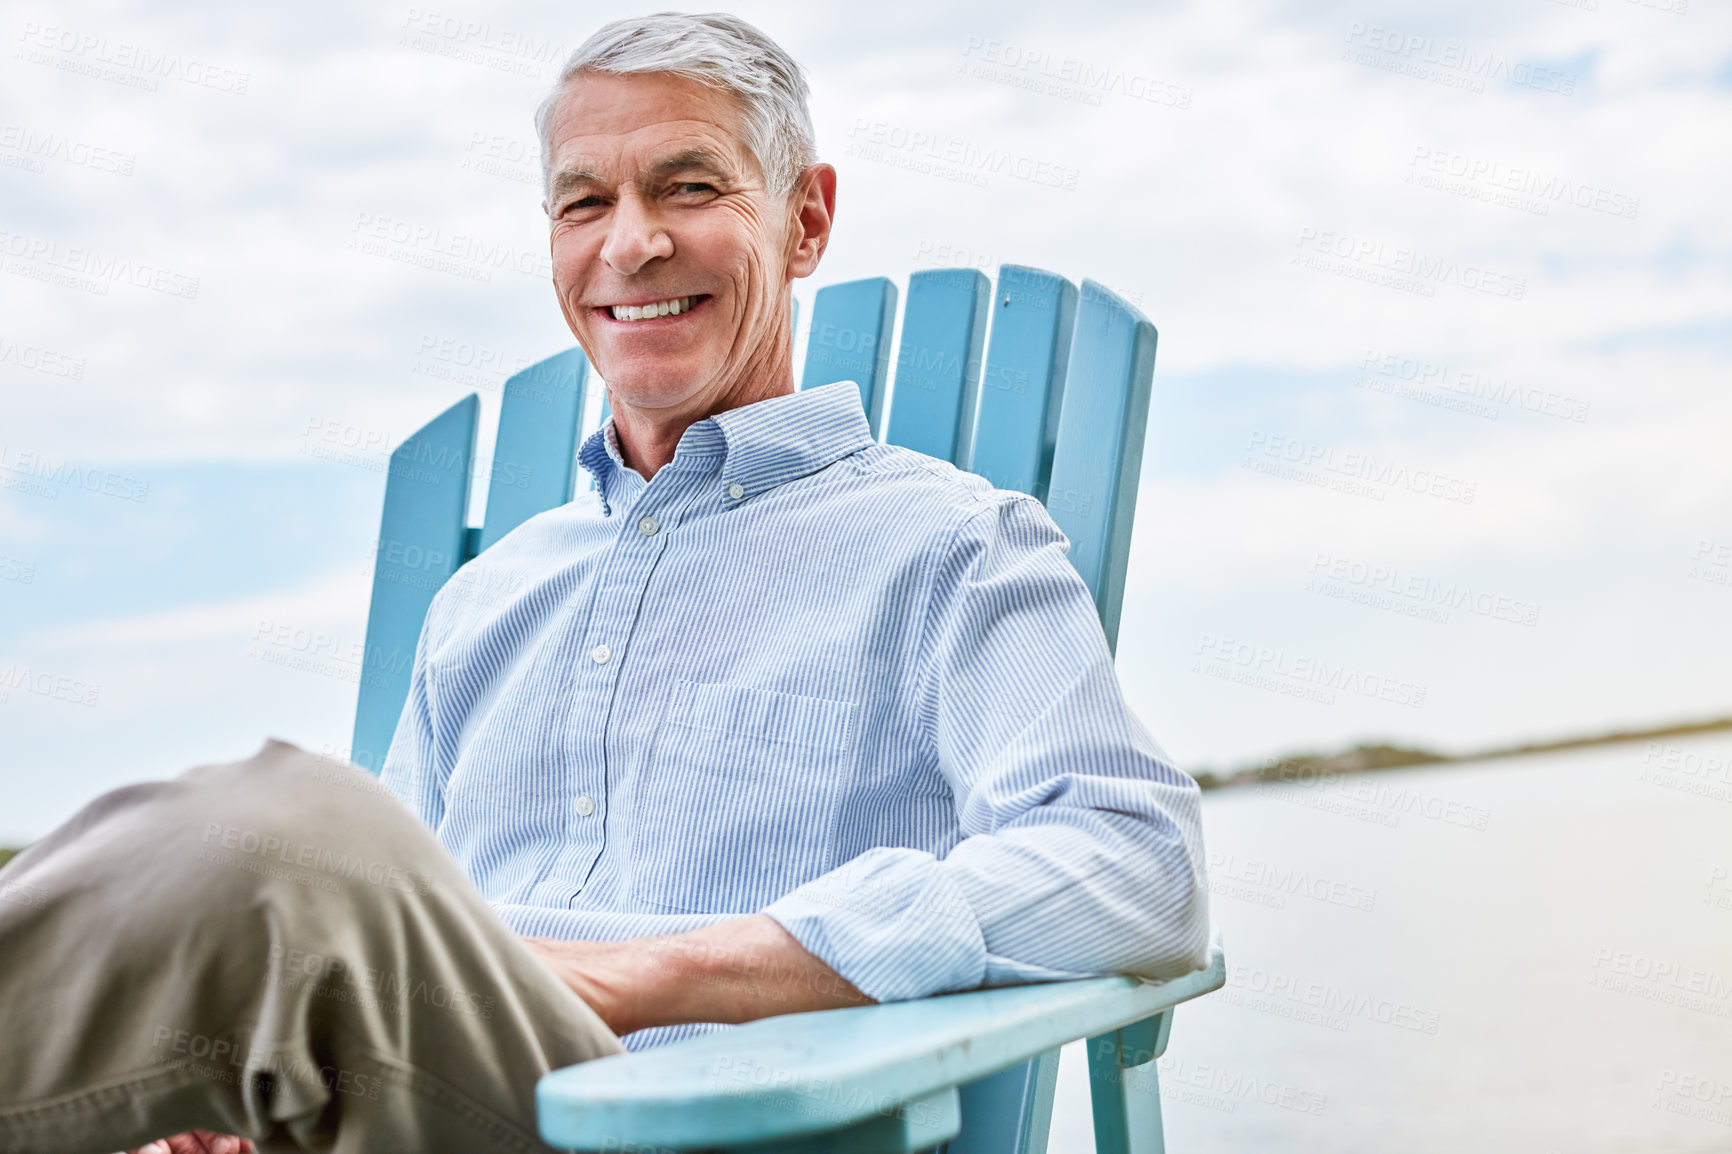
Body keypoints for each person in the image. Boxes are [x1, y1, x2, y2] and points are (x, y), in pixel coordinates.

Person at [0, 13, 1209, 1154]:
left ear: (806, 219)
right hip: (446, 1095)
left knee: (276, 830)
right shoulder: (488, 598)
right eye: (585, 202)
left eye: (688, 185)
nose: (630, 243)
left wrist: (659, 973)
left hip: (736, 1114)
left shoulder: (950, 548)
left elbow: (1138, 864)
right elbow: (377, 921)